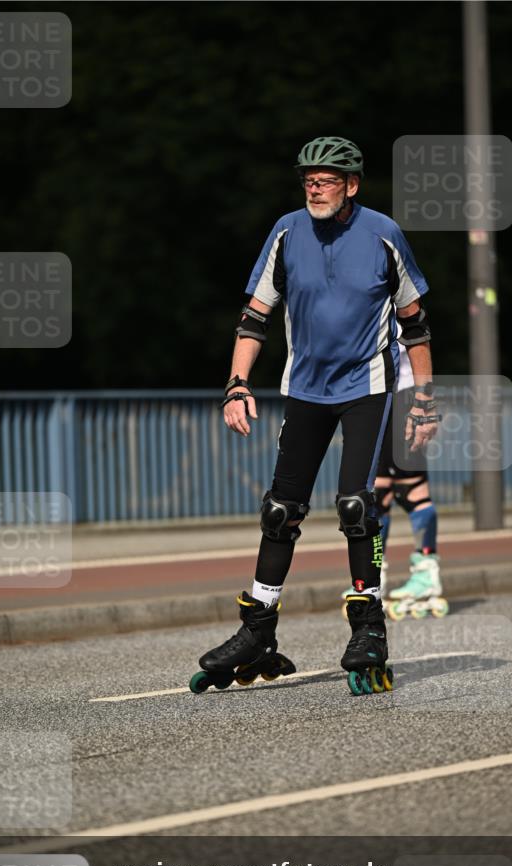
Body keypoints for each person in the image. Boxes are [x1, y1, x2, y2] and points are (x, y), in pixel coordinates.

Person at [189, 136, 440, 697]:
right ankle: (257, 628)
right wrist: (236, 385)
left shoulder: (383, 234)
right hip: (305, 388)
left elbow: (416, 326)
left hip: (367, 387)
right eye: (308, 180)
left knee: (356, 504)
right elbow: (254, 317)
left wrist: (423, 401)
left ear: (352, 185)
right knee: (280, 510)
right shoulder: (286, 232)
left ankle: (368, 627)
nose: (314, 188)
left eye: (325, 180)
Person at [368, 340, 449, 620]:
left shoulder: (401, 308)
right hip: (377, 398)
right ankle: (373, 574)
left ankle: (427, 574)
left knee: (413, 491)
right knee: (378, 494)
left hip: (405, 397)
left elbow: (418, 341)